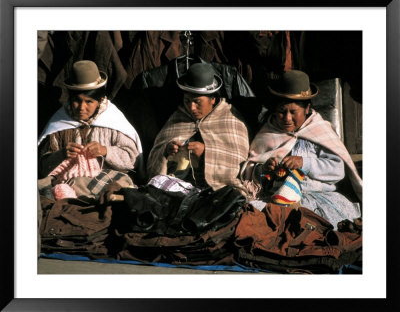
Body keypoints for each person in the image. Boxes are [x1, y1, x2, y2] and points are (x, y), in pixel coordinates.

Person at [241, 70, 362, 228]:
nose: (287, 118)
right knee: (252, 214)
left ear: (307, 108)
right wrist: (263, 169)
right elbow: (251, 175)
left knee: (303, 219)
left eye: (293, 112)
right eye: (281, 112)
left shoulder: (320, 131)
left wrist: (305, 163)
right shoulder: (268, 133)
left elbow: (337, 170)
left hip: (317, 197)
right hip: (276, 197)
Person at [38, 60, 143, 199]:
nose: (82, 108)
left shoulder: (114, 122)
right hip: (65, 182)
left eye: (89, 102)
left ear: (100, 100)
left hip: (107, 182)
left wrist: (105, 151)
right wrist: (61, 154)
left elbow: (132, 159)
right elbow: (42, 167)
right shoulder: (59, 125)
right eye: (77, 100)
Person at [146, 62, 249, 194]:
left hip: (216, 190)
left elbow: (237, 159)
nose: (191, 108)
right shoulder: (178, 117)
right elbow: (155, 157)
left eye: (197, 102)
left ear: (212, 99)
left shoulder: (231, 119)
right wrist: (167, 151)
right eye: (187, 101)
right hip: (177, 186)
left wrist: (206, 153)